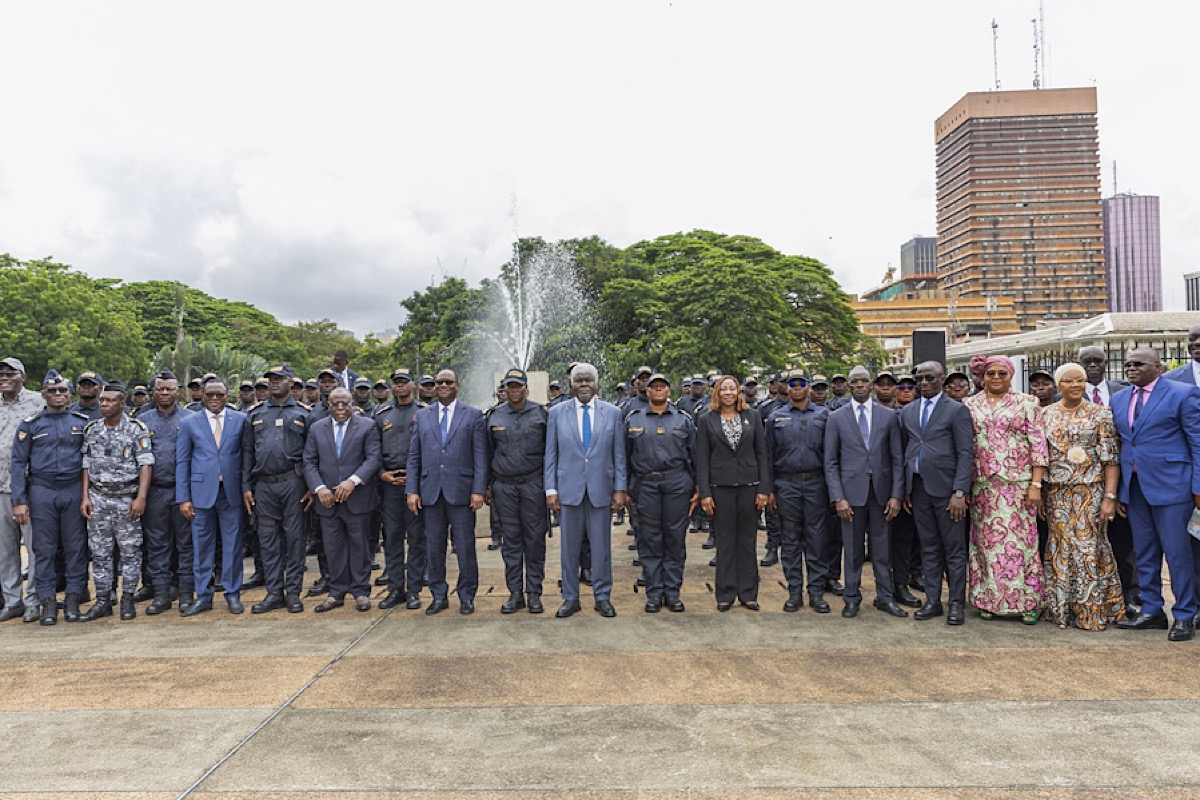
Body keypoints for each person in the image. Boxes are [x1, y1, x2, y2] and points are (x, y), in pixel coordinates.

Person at [1113, 348, 1200, 642]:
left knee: (1178, 555)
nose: (1131, 368)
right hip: (1135, 489)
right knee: (1145, 554)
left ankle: (1185, 615)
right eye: (1128, 364)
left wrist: (1198, 487)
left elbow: (1197, 443)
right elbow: (1125, 444)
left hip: (1174, 486)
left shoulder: (1182, 393)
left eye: (1139, 364)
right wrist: (1119, 492)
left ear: (1158, 367)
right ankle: (1152, 611)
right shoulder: (1119, 398)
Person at [963, 355, 1048, 624]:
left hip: (1018, 485)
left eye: (1002, 373)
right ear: (982, 377)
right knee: (986, 544)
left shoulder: (1027, 403)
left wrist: (1036, 484)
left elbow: (1038, 445)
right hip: (983, 486)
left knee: (1022, 545)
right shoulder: (969, 404)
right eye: (991, 373)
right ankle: (988, 601)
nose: (996, 378)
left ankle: (1027, 602)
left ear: (1011, 376)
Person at [1040, 363, 1125, 630]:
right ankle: (1061, 609)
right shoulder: (1045, 415)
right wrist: (1040, 493)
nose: (1075, 385)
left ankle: (1091, 611)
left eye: (1080, 381)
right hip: (1056, 494)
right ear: (1058, 385)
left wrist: (1110, 496)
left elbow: (1111, 459)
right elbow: (1040, 458)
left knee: (1089, 548)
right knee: (1061, 549)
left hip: (1091, 492)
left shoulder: (1100, 414)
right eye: (1068, 381)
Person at [544, 362, 627, 618]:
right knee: (568, 548)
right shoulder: (557, 413)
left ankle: (602, 597)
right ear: (570, 383)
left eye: (588, 380)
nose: (583, 384)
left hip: (601, 489)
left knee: (602, 548)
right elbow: (551, 454)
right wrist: (550, 489)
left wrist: (620, 489)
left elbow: (619, 455)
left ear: (596, 383)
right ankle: (570, 597)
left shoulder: (612, 413)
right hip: (568, 490)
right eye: (578, 380)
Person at [824, 366, 906, 618]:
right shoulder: (836, 417)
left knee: (881, 550)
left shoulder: (888, 416)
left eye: (864, 381)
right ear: (848, 387)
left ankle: (885, 597)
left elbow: (897, 458)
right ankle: (851, 598)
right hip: (850, 494)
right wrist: (838, 497)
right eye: (854, 382)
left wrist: (896, 495)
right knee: (853, 550)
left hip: (882, 493)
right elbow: (830, 461)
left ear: (871, 385)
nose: (859, 385)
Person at [11, 370, 89, 625]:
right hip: (42, 491)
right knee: (43, 549)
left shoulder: (82, 422)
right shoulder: (30, 424)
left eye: (62, 391)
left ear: (70, 395)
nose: (57, 395)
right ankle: (47, 603)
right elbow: (18, 463)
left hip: (73, 489)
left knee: (75, 548)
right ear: (43, 394)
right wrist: (19, 501)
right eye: (52, 391)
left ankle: (73, 600)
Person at [406, 369, 487, 615]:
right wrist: (412, 491)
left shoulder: (473, 415)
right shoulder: (422, 416)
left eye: (447, 382)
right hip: (430, 493)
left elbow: (480, 456)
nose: (442, 385)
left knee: (464, 547)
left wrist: (479, 490)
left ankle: (467, 595)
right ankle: (438, 595)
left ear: (457, 385)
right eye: (438, 382)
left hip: (462, 493)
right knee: (434, 547)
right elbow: (414, 456)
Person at [901, 361, 975, 626]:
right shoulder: (908, 411)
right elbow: (906, 450)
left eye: (929, 377)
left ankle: (956, 603)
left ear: (942, 379)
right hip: (919, 489)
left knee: (954, 550)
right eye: (918, 378)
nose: (923, 383)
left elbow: (966, 453)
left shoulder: (956, 410)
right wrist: (906, 489)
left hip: (947, 491)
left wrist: (959, 491)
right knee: (929, 547)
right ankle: (933, 600)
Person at [79, 381, 154, 621]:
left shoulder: (136, 428)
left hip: (126, 498)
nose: (104, 404)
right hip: (99, 498)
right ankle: (103, 600)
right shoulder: (92, 429)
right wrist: (85, 496)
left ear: (122, 403)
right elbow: (86, 465)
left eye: (110, 400)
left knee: (130, 552)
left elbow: (145, 464)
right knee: (99, 553)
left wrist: (141, 497)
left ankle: (128, 599)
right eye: (102, 400)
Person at [695, 374, 771, 611]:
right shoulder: (707, 420)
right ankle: (725, 594)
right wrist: (705, 493)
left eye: (732, 389)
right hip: (720, 489)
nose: (728, 393)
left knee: (748, 541)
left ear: (739, 393)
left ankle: (748, 593)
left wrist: (764, 489)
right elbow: (702, 459)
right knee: (726, 542)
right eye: (723, 389)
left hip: (749, 488)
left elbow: (762, 454)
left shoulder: (753, 417)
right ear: (716, 393)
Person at [242, 365, 311, 614]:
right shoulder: (255, 413)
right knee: (268, 542)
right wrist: (246, 488)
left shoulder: (304, 413)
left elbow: (311, 455)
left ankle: (293, 593)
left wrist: (311, 488)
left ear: (291, 384)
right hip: (264, 486)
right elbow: (247, 452)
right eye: (271, 379)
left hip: (293, 483)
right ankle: (273, 592)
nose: (273, 383)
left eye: (280, 379)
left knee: (294, 540)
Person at [304, 387, 381, 612]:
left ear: (352, 404)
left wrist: (352, 481)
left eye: (344, 403)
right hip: (327, 500)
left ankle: (360, 591)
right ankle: (336, 592)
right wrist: (319, 488)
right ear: (328, 404)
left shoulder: (367, 426)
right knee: (332, 548)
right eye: (335, 403)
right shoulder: (317, 428)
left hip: (357, 498)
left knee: (359, 546)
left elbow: (373, 458)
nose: (339, 408)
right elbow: (308, 461)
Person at [624, 373, 695, 613]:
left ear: (668, 390)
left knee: (675, 539)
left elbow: (694, 456)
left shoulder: (683, 420)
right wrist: (624, 490)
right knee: (649, 540)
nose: (657, 390)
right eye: (653, 387)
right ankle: (654, 593)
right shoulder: (633, 419)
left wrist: (698, 489)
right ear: (647, 391)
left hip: (677, 484)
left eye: (661, 386)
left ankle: (673, 592)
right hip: (646, 486)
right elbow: (624, 457)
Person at [176, 380, 247, 616]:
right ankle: (203, 595)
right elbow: (183, 461)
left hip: (231, 492)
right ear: (202, 397)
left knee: (232, 546)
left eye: (219, 394)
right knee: (202, 547)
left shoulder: (240, 420)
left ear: (227, 396)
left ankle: (233, 594)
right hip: (200, 494)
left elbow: (246, 457)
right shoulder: (188, 423)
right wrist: (183, 497)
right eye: (210, 394)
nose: (214, 398)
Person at [766, 370, 834, 612]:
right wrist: (769, 490)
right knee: (791, 540)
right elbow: (768, 456)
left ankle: (816, 592)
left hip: (816, 484)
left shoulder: (825, 415)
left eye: (801, 383)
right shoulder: (776, 417)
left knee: (817, 540)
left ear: (809, 387)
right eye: (791, 384)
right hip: (786, 485)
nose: (796, 387)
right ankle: (794, 592)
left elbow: (832, 456)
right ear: (786, 387)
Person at [1078, 345, 1138, 612]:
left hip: (1122, 477)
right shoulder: (1063, 395)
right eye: (1086, 361)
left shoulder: (1124, 391)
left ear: (1106, 363)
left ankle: (1129, 593)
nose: (1092, 365)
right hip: (1080, 482)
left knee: (1124, 541)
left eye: (1097, 360)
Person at [486, 368, 550, 614]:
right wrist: (487, 486)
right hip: (504, 487)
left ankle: (534, 592)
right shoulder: (493, 416)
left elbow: (550, 452)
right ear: (504, 389)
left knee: (534, 540)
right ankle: (515, 593)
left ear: (526, 388)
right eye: (509, 386)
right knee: (511, 541)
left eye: (518, 386)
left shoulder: (541, 414)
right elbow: (488, 452)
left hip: (533, 485)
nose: (514, 390)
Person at [138, 370, 195, 614]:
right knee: (157, 545)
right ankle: (161, 595)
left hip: (184, 492)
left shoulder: (192, 418)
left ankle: (185, 594)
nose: (164, 393)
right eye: (160, 388)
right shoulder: (142, 420)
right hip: (155, 493)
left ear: (178, 392)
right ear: (153, 391)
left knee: (186, 545)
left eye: (169, 388)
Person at [373, 369, 427, 610]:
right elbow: (372, 451)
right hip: (390, 486)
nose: (401, 386)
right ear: (392, 387)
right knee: (392, 538)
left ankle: (414, 589)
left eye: (405, 382)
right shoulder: (381, 414)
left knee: (417, 539)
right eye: (397, 383)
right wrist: (381, 474)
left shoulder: (424, 413)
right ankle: (396, 588)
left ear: (413, 385)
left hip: (416, 486)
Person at [0, 357, 45, 623]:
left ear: (23, 377)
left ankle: (33, 600)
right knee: (5, 551)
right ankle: (12, 600)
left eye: (10, 373)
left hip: (28, 489)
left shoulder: (37, 403)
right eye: (1, 373)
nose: (4, 377)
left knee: (35, 548)